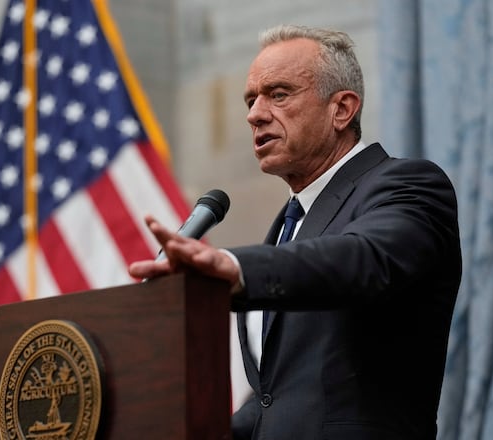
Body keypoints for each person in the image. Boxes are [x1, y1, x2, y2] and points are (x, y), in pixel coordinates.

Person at [129, 24, 461, 440]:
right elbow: (282, 400)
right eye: (251, 100)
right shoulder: (287, 227)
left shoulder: (407, 185)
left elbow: (363, 259)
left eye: (279, 94)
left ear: (341, 109)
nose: (254, 114)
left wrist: (234, 267)